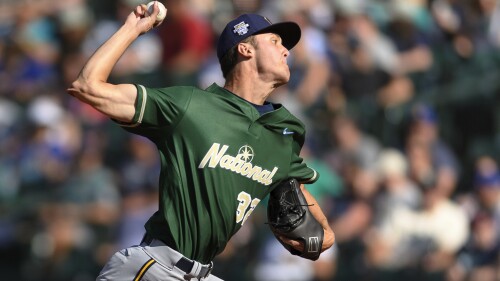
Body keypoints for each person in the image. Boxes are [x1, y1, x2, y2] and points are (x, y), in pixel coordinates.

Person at [67, 2, 335, 280]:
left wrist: (326, 234)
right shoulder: (191, 106)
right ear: (245, 49)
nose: (285, 50)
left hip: (203, 273)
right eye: (274, 41)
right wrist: (133, 28)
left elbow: (294, 188)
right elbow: (88, 86)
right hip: (155, 266)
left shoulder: (284, 132)